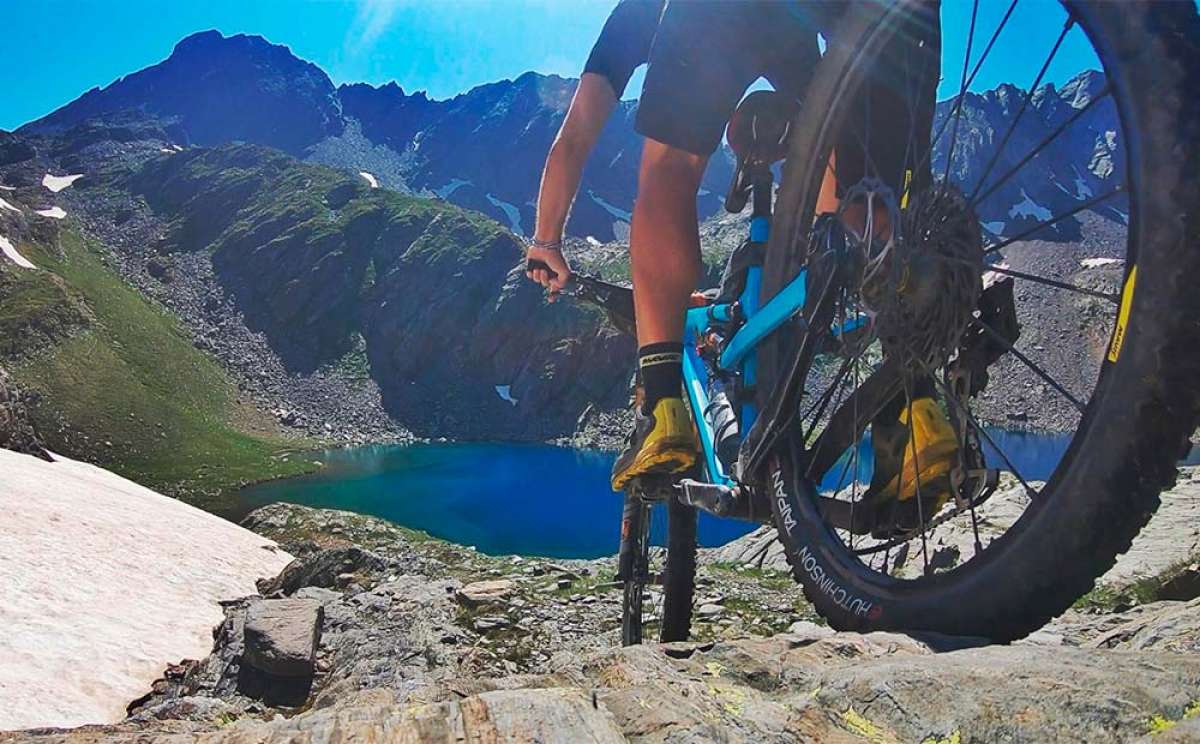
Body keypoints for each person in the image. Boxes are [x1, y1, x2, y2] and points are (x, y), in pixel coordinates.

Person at [528, 0, 958, 518]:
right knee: (848, 167)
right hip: (827, 31)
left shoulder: (637, 11)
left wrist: (546, 243)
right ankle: (911, 411)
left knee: (672, 165)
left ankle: (662, 402)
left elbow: (574, 137)